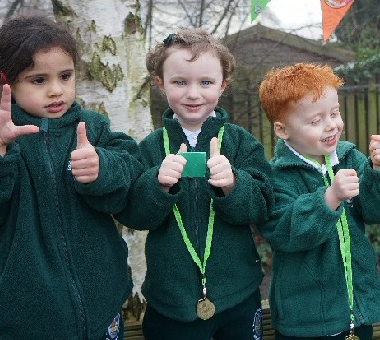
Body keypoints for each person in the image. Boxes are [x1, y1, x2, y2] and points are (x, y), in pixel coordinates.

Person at [0, 15, 143, 339]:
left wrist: (102, 168)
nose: (56, 90)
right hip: (30, 321)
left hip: (103, 307)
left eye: (65, 76)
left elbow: (133, 174)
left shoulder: (93, 128)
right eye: (38, 80)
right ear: (7, 81)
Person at [116, 29, 273, 340]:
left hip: (238, 296)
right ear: (161, 84)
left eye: (205, 82)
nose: (192, 93)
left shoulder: (241, 143)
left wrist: (234, 186)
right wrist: (157, 185)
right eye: (179, 82)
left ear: (223, 85)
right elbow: (133, 215)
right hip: (171, 302)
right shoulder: (149, 148)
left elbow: (264, 205)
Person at [257, 63, 380, 340]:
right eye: (316, 121)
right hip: (306, 318)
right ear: (282, 130)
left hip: (357, 307)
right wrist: (329, 198)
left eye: (334, 113)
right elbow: (285, 233)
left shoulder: (350, 158)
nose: (331, 125)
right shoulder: (277, 176)